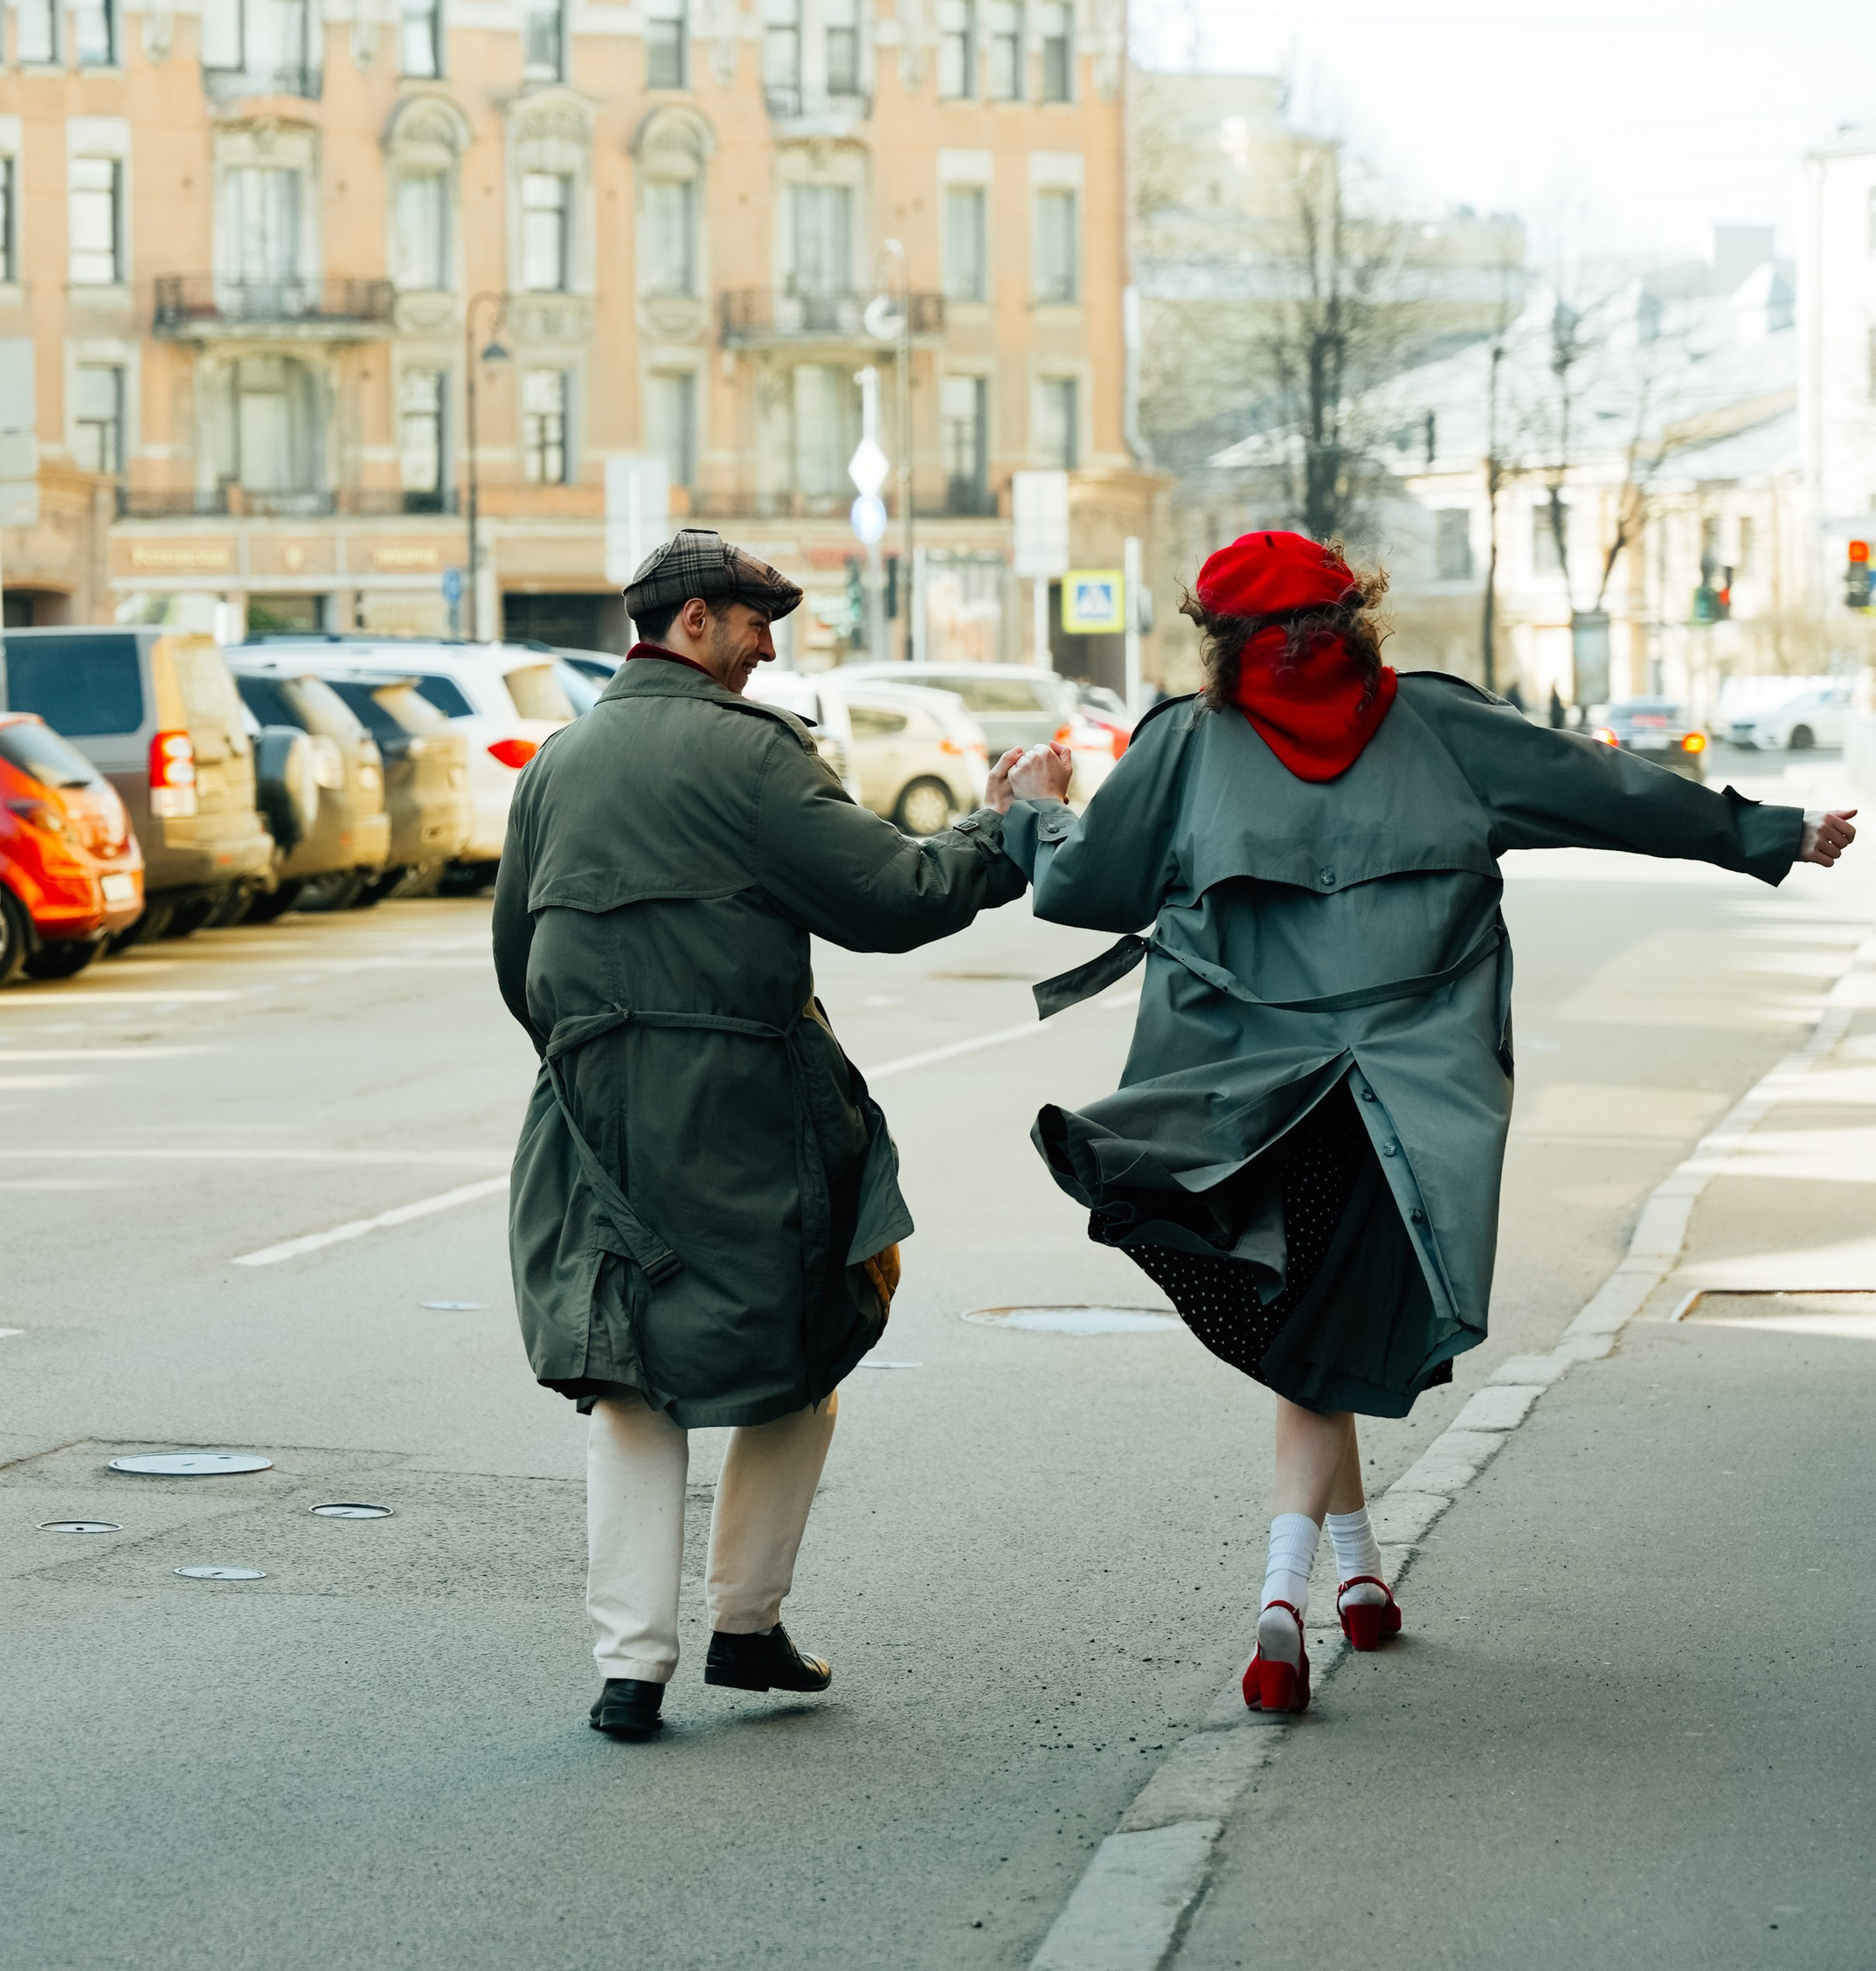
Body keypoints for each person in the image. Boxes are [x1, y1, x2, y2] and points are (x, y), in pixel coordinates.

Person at [998, 529, 1855, 1715]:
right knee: (1324, 1341)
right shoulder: (1446, 730)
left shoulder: (1182, 749)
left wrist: (1030, 812)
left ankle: (1287, 1603)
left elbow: (1078, 885)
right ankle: (1341, 1588)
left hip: (1248, 1106)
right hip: (1409, 1099)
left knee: (1310, 1342)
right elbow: (1607, 794)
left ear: (1218, 639)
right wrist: (1769, 833)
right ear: (1357, 617)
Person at [492, 525, 1034, 1742]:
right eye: (753, 621)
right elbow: (892, 899)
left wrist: (601, 1053)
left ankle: (630, 1672)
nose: (767, 647)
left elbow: (519, 963)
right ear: (690, 621)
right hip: (740, 1102)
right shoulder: (752, 756)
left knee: (628, 1374)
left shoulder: (559, 760)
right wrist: (1003, 831)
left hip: (586, 1110)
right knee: (813, 1331)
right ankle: (746, 1625)